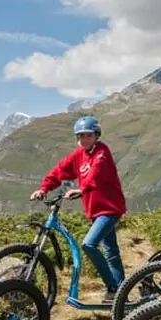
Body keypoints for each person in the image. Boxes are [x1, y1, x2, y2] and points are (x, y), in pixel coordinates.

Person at [30, 115, 127, 303]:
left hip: (110, 208)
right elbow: (59, 170)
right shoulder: (79, 155)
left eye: (88, 135)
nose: (84, 139)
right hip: (95, 210)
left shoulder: (102, 152)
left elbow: (96, 175)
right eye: (80, 136)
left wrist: (82, 189)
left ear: (96, 135)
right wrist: (44, 188)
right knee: (111, 252)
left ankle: (113, 287)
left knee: (88, 244)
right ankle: (121, 293)